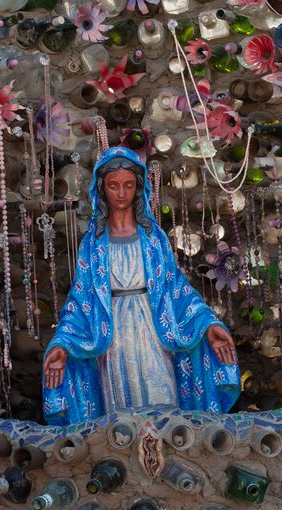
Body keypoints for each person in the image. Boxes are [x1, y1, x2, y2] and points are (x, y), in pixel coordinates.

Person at [41, 147, 241, 425]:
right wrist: (62, 343)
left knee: (163, 402)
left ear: (138, 188)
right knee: (122, 416)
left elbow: (176, 288)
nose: (121, 193)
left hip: (153, 329)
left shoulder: (153, 238)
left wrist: (207, 324)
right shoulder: (93, 243)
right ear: (102, 190)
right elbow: (81, 299)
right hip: (113, 335)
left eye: (128, 185)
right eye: (113, 186)